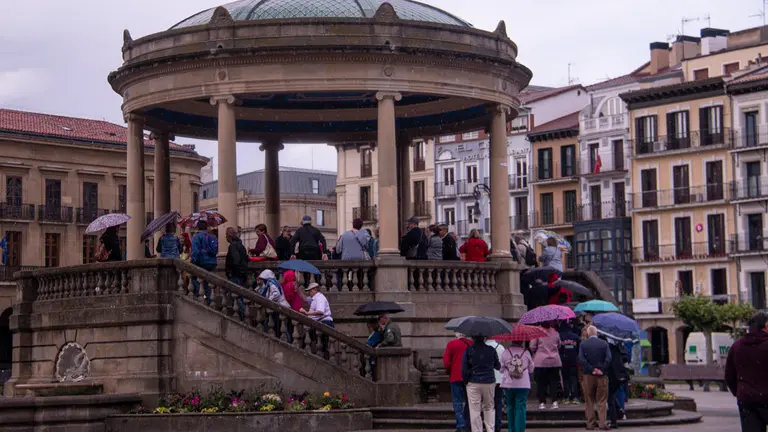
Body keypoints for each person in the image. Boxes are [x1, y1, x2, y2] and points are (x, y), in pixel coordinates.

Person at [726, 311, 768, 432]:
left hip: (746, 399)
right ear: (765, 326)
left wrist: (740, 391)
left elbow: (729, 375)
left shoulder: (737, 346)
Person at [461, 335, 500, 432]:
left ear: (473, 338)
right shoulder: (491, 350)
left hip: (473, 382)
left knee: (475, 410)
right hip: (489, 381)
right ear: (484, 338)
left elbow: (464, 369)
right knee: (489, 407)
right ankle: (490, 429)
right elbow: (497, 366)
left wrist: (466, 381)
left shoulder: (469, 350)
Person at [579, 325, 612, 431]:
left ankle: (590, 423)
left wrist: (591, 369)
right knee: (602, 400)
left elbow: (581, 359)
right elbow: (609, 358)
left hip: (588, 375)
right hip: (602, 375)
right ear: (597, 333)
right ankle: (602, 423)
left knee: (589, 399)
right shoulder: (604, 344)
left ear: (588, 333)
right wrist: (600, 369)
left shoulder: (583, 344)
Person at [500, 341, 534, 432]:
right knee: (521, 407)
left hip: (508, 383)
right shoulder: (526, 352)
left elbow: (501, 368)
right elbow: (531, 369)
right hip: (523, 384)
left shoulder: (506, 352)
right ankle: (519, 429)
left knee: (510, 407)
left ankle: (511, 429)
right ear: (521, 342)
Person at [444, 332, 474, 432]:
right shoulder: (471, 344)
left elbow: (446, 362)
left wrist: (449, 371)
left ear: (457, 335)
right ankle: (466, 423)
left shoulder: (451, 344)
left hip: (455, 376)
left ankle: (461, 425)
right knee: (469, 402)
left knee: (457, 402)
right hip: (469, 377)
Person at [530, 322, 562, 409]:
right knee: (554, 382)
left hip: (541, 361)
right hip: (554, 361)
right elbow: (559, 345)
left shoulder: (536, 332)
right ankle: (554, 401)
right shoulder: (555, 332)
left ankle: (542, 402)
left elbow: (532, 346)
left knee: (541, 383)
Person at [300, 282, 334, 359]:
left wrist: (307, 312)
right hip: (320, 322)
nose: (309, 292)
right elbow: (305, 298)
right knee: (308, 339)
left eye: (310, 291)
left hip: (324, 322)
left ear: (314, 290)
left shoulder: (320, 298)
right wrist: (298, 289)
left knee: (322, 345)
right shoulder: (314, 298)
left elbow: (320, 311)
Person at [256, 269, 290, 337]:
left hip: (282, 307)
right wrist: (259, 285)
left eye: (262, 279)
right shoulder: (268, 284)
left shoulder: (272, 283)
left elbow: (276, 294)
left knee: (284, 328)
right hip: (277, 308)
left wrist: (268, 300)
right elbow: (262, 292)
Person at [224, 227, 249, 320]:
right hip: (241, 274)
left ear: (229, 235)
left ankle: (246, 316)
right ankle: (244, 316)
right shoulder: (241, 245)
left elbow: (236, 260)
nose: (225, 237)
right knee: (239, 297)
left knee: (236, 297)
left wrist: (230, 271)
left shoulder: (233, 246)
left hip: (235, 274)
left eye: (226, 235)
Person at [191, 221, 218, 304]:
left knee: (198, 282)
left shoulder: (197, 237)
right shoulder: (213, 237)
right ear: (206, 227)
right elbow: (215, 250)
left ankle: (202, 301)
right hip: (212, 263)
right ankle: (210, 302)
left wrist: (193, 262)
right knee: (210, 285)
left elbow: (195, 252)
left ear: (198, 228)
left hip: (201, 262)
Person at [606, 339, 629, 428]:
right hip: (621, 374)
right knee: (613, 395)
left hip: (613, 375)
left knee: (611, 398)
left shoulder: (610, 347)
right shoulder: (620, 346)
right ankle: (619, 410)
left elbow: (608, 360)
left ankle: (614, 421)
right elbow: (626, 357)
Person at [485, 335, 505, 432]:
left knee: (488, 405)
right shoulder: (501, 347)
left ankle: (489, 426)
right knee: (498, 403)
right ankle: (498, 425)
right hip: (499, 379)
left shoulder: (484, 347)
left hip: (488, 379)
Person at [558, 322, 581, 405]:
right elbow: (579, 348)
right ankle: (574, 397)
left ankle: (566, 397)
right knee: (574, 378)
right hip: (573, 360)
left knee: (565, 379)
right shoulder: (575, 337)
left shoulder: (560, 336)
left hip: (563, 360)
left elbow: (558, 348)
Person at [281, 270, 301, 343]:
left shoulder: (289, 285)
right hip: (297, 307)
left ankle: (290, 341)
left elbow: (289, 297)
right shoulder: (294, 284)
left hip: (291, 307)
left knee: (289, 327)